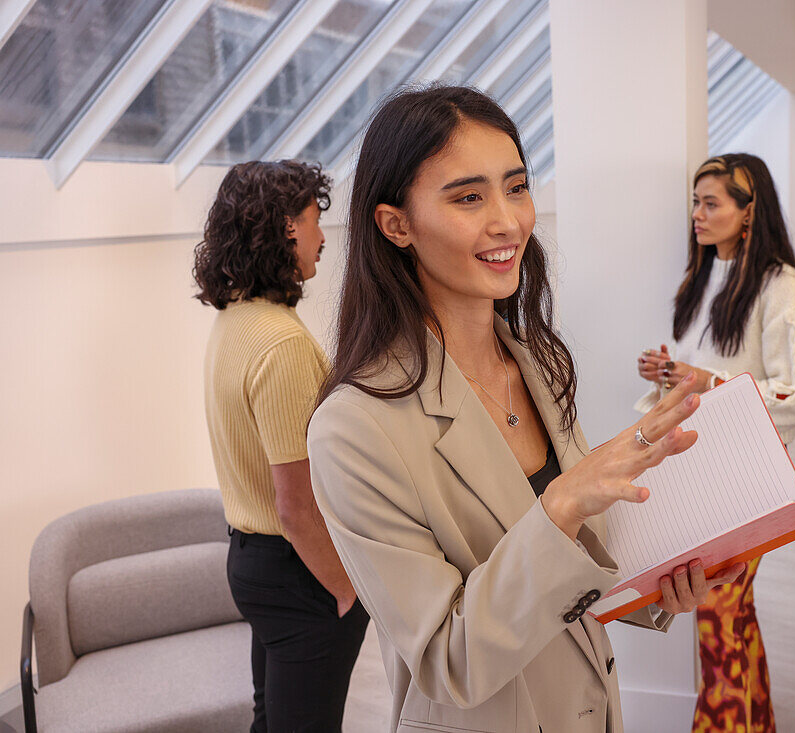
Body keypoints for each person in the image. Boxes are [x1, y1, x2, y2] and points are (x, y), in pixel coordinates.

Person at [305, 85, 745, 733]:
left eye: (516, 187)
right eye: (468, 197)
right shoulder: (352, 428)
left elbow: (577, 562)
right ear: (396, 224)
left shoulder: (535, 362)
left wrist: (658, 584)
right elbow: (447, 659)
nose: (508, 220)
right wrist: (562, 503)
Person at [635, 153, 795, 732]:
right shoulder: (699, 277)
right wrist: (668, 372)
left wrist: (706, 381)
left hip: (746, 476)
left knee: (718, 624)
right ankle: (755, 723)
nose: (697, 213)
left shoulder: (779, 283)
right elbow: (703, 372)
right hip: (696, 468)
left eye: (711, 202)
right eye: (695, 201)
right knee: (731, 617)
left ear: (749, 211)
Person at [194, 160, 368, 732]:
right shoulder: (281, 344)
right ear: (290, 229)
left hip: (252, 561)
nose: (323, 237)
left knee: (272, 720)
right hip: (297, 572)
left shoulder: (234, 321)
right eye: (317, 220)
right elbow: (295, 504)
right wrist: (346, 591)